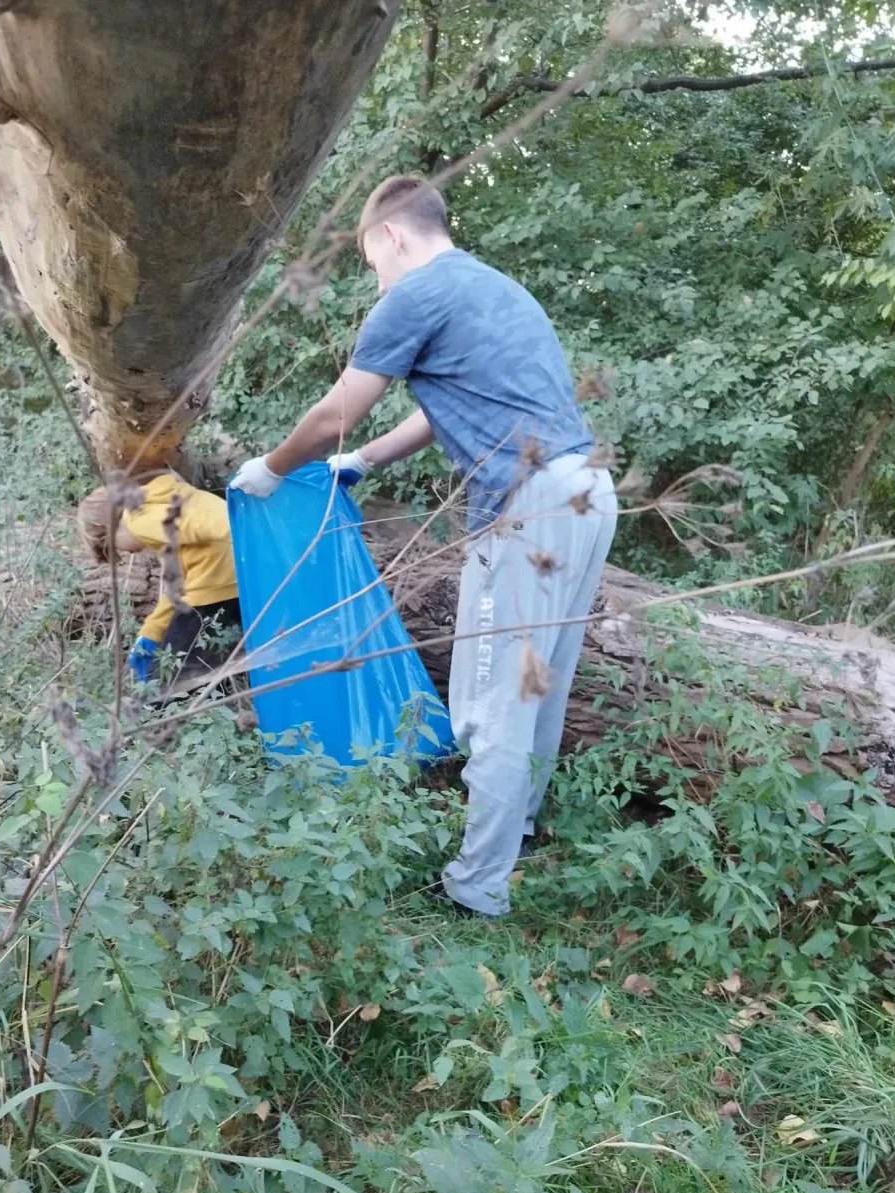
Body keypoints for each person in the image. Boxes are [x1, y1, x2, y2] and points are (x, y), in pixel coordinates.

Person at [231, 175, 617, 918]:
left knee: (491, 706)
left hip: (527, 506)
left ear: (391, 235)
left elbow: (336, 409)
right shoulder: (496, 290)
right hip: (587, 492)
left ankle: (477, 887)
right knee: (539, 685)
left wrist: (274, 468)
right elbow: (445, 409)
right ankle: (517, 832)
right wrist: (365, 459)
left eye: (371, 261)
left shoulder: (413, 294)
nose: (375, 278)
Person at [78, 470, 242, 691]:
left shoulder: (139, 520)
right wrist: (150, 632)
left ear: (113, 527)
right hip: (232, 582)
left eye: (114, 546)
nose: (127, 553)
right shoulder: (164, 502)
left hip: (216, 588)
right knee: (207, 666)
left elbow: (207, 523)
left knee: (169, 680)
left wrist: (243, 534)